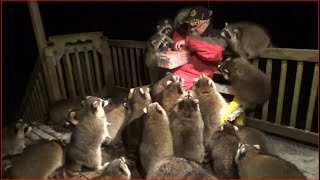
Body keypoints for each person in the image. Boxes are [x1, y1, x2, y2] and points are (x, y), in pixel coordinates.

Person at [170, 6, 245, 126]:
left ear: (207, 22)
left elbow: (213, 52)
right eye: (190, 24)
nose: (191, 28)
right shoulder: (186, 32)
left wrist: (188, 42)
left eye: (195, 25)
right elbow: (176, 37)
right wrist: (174, 47)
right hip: (176, 79)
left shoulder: (216, 36)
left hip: (195, 83)